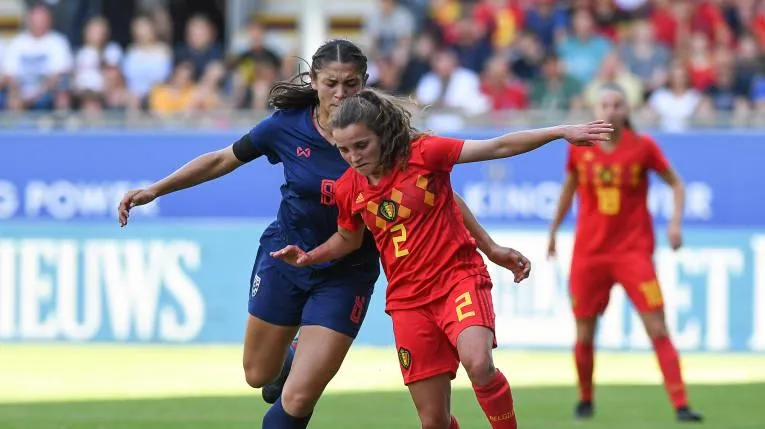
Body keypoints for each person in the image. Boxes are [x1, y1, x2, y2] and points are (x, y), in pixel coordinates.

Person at [117, 39, 529, 429]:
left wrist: (489, 247)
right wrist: (156, 189)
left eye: (351, 83)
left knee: (297, 398)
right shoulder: (285, 127)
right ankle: (293, 352)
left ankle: (303, 358)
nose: (340, 93)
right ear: (314, 81)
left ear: (364, 82)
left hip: (347, 271)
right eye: (331, 83)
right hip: (286, 257)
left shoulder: (387, 135)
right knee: (258, 374)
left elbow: (438, 196)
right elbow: (221, 160)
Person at [270, 87, 613, 429]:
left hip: (457, 279)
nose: (354, 157)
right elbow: (348, 239)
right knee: (434, 420)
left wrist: (559, 132)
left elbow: (497, 146)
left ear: (382, 134)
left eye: (362, 145)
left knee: (478, 362)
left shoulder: (424, 153)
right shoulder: (348, 189)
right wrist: (309, 257)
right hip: (407, 301)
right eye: (344, 149)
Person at [546, 83, 703, 422]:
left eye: (617, 104)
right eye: (604, 104)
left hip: (634, 253)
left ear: (626, 110)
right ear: (595, 110)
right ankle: (585, 399)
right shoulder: (580, 148)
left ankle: (681, 405)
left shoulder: (643, 147)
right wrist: (554, 232)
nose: (610, 110)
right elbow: (568, 189)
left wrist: (675, 224)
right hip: (589, 254)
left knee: (657, 326)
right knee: (584, 331)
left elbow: (676, 183)